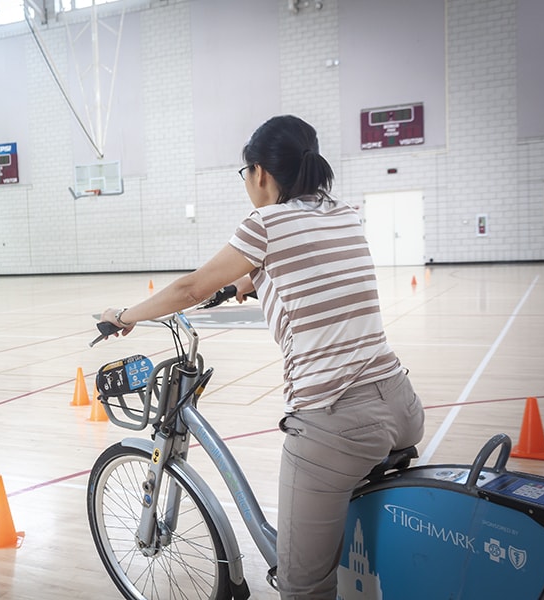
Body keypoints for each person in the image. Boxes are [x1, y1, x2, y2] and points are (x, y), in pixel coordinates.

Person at [99, 115, 425, 599]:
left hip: (335, 422)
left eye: (244, 175)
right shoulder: (342, 212)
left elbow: (191, 287)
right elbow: (310, 258)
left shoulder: (265, 222)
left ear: (260, 173)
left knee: (301, 586)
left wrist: (125, 315)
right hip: (402, 403)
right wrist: (247, 282)